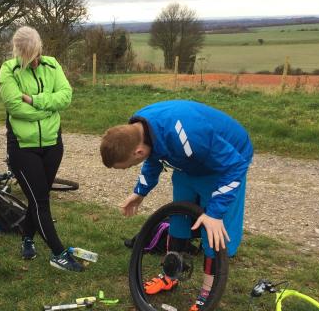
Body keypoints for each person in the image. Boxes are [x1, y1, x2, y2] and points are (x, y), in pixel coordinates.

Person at [100, 100, 253, 310]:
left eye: (128, 166)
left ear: (137, 153)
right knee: (178, 219)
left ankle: (207, 294)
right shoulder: (139, 128)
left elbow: (235, 165)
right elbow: (154, 155)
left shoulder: (188, 136)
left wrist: (215, 213)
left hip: (224, 163)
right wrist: (139, 192)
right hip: (189, 162)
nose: (131, 167)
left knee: (213, 232)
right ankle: (170, 274)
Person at [0, 26, 81, 271]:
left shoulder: (53, 65)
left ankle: (27, 238)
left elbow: (65, 96)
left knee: (38, 198)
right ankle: (58, 252)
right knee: (41, 200)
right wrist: (49, 108)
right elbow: (15, 108)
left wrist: (35, 100)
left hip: (53, 144)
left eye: (35, 54)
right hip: (23, 148)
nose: (33, 61)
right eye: (27, 55)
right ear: (18, 52)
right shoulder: (8, 70)